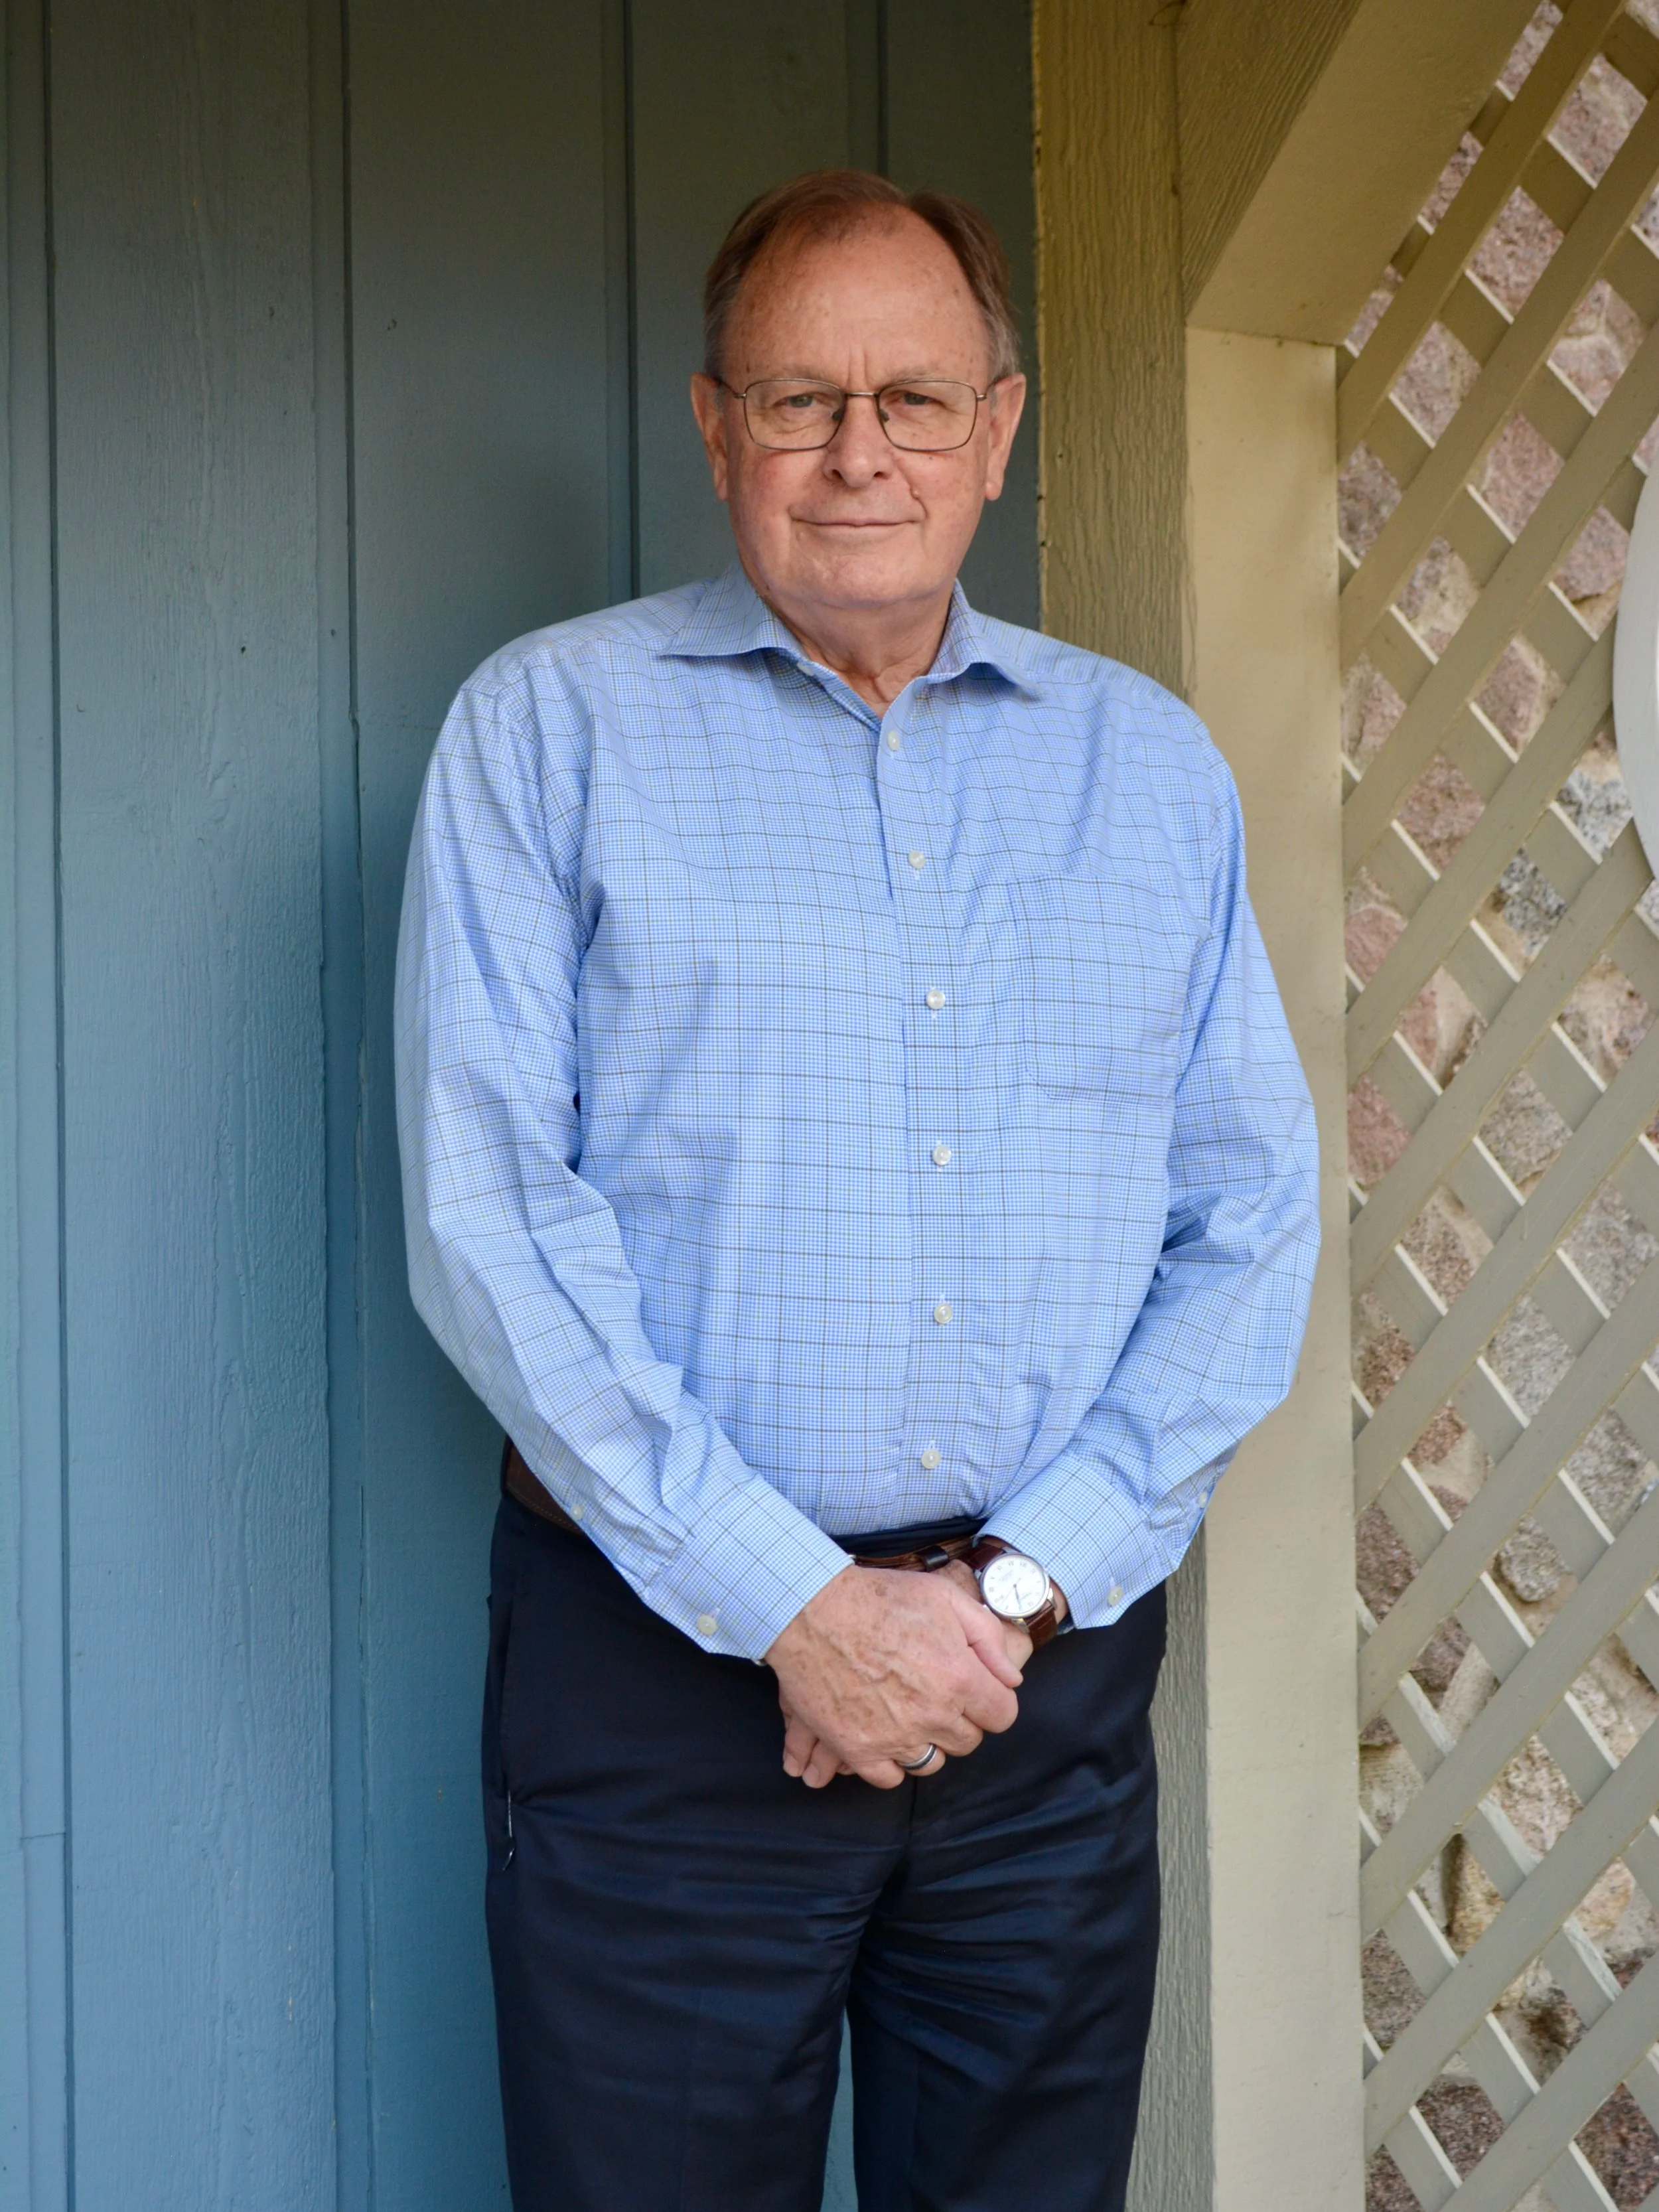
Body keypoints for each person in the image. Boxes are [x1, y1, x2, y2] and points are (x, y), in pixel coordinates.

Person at [394, 167, 1318, 2212]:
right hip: (663, 1692)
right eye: (799, 399)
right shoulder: (549, 733)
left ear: (999, 430)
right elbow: (488, 1220)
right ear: (714, 429)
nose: (856, 452)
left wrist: (997, 1595)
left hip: (1038, 1694)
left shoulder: (1144, 766)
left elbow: (1246, 1222)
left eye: (912, 399)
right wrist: (797, 1605)